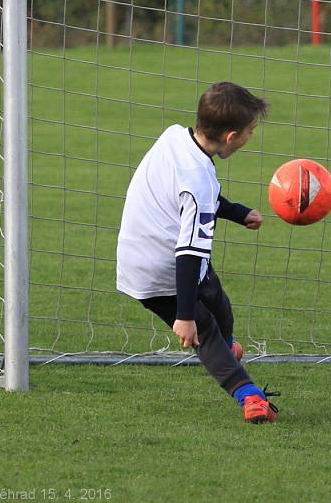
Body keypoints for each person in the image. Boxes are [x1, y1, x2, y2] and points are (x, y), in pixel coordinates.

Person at [116, 81, 278, 423]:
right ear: (232, 136)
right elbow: (188, 254)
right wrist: (185, 317)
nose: (251, 137)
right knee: (204, 327)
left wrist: (237, 212)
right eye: (250, 131)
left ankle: (225, 350)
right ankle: (249, 396)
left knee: (219, 303)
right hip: (161, 271)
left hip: (141, 253)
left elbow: (193, 199)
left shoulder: (175, 137)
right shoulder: (198, 180)